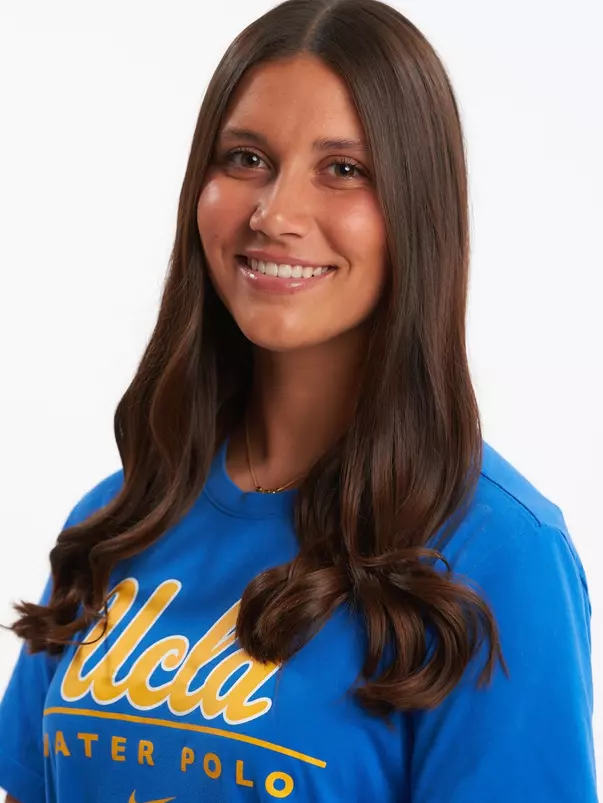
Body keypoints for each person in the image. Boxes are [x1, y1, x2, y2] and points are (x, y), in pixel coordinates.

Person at [0, 0, 597, 801]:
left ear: (415, 212)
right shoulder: (116, 520)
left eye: (344, 170)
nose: (274, 213)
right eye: (245, 157)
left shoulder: (497, 556)